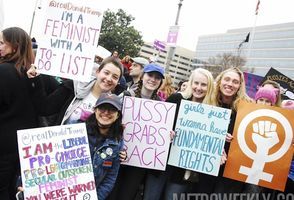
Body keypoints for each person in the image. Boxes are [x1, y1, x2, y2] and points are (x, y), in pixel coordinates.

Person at [108, 63, 165, 200]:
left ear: (160, 82)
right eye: (150, 75)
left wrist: (166, 134)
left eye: (157, 77)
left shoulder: (162, 105)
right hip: (118, 155)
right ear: (142, 76)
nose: (153, 79)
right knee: (110, 193)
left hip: (139, 162)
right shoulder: (127, 95)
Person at [159, 68, 216, 200]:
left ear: (209, 87)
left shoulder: (212, 111)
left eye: (203, 85)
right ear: (191, 83)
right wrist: (167, 132)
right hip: (161, 162)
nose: (199, 88)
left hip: (182, 169)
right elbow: (161, 125)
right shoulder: (176, 98)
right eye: (196, 83)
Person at [0, 27, 40, 200]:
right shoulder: (33, 74)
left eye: (2, 42)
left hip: (3, 146)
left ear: (15, 46)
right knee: (10, 188)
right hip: (23, 147)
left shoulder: (4, 71)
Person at [212, 67, 252, 194]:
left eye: (235, 81)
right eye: (227, 79)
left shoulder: (247, 109)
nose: (230, 84)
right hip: (206, 168)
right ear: (220, 81)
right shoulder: (208, 103)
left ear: (240, 86)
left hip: (231, 173)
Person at [86, 93, 124, 200]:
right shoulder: (78, 131)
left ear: (118, 115)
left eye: (112, 109)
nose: (106, 112)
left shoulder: (118, 143)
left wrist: (95, 198)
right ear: (95, 110)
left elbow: (110, 178)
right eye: (102, 108)